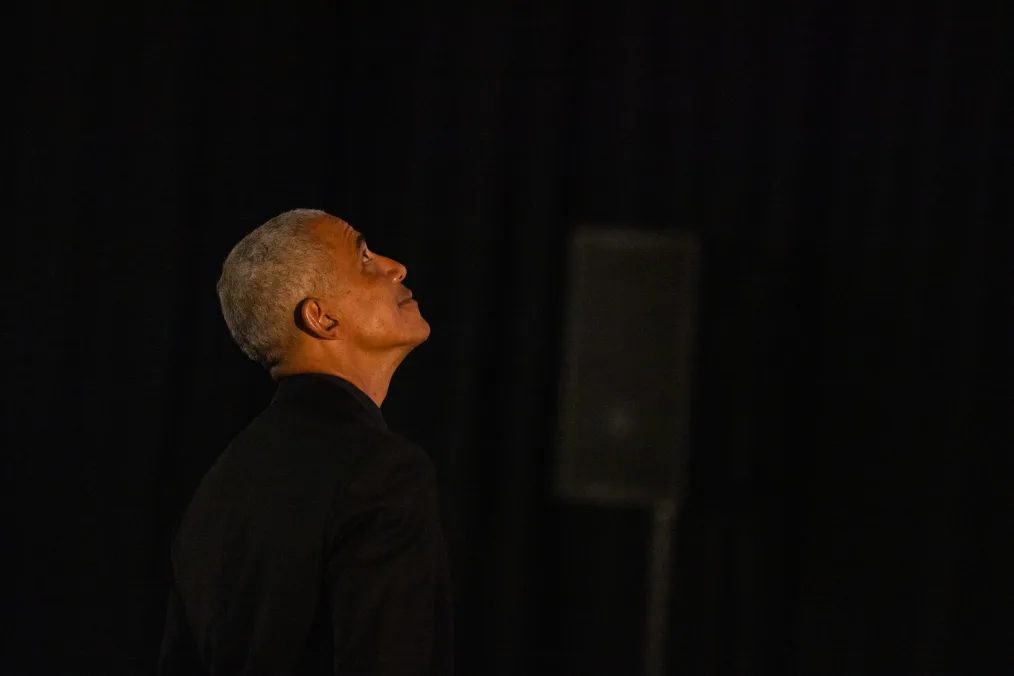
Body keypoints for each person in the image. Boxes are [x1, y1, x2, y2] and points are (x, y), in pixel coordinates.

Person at [158, 209, 452, 675]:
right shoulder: (381, 472)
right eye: (365, 258)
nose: (396, 267)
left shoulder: (217, 489)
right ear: (321, 318)